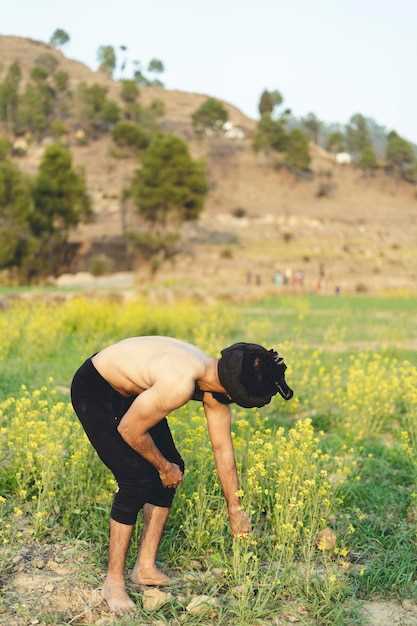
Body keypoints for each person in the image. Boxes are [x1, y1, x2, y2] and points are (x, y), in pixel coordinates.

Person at [70, 337, 293, 613]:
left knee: (174, 465)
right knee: (136, 478)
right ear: (237, 394)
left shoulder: (212, 383)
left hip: (129, 394)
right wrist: (163, 467)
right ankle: (113, 582)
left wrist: (235, 509)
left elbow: (223, 450)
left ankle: (145, 568)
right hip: (96, 388)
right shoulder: (179, 382)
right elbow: (129, 430)